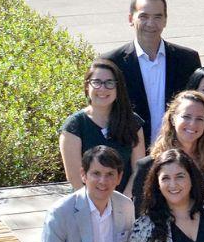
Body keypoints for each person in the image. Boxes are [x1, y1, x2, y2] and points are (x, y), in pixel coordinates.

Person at [103, 0, 200, 145]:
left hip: (177, 153)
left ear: (165, 20)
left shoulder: (188, 60)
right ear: (130, 19)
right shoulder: (112, 62)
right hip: (132, 154)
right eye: (143, 16)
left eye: (157, 17)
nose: (151, 23)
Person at [136, 91, 204, 208]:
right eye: (186, 117)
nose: (192, 124)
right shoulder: (148, 166)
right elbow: (141, 212)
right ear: (173, 119)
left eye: (200, 119)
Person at [60, 58, 145, 191]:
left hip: (125, 202)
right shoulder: (74, 126)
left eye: (109, 83)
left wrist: (123, 202)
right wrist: (96, 207)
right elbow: (75, 177)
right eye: (96, 82)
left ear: (118, 87)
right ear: (87, 86)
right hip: (85, 203)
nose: (103, 88)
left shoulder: (132, 122)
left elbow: (138, 171)